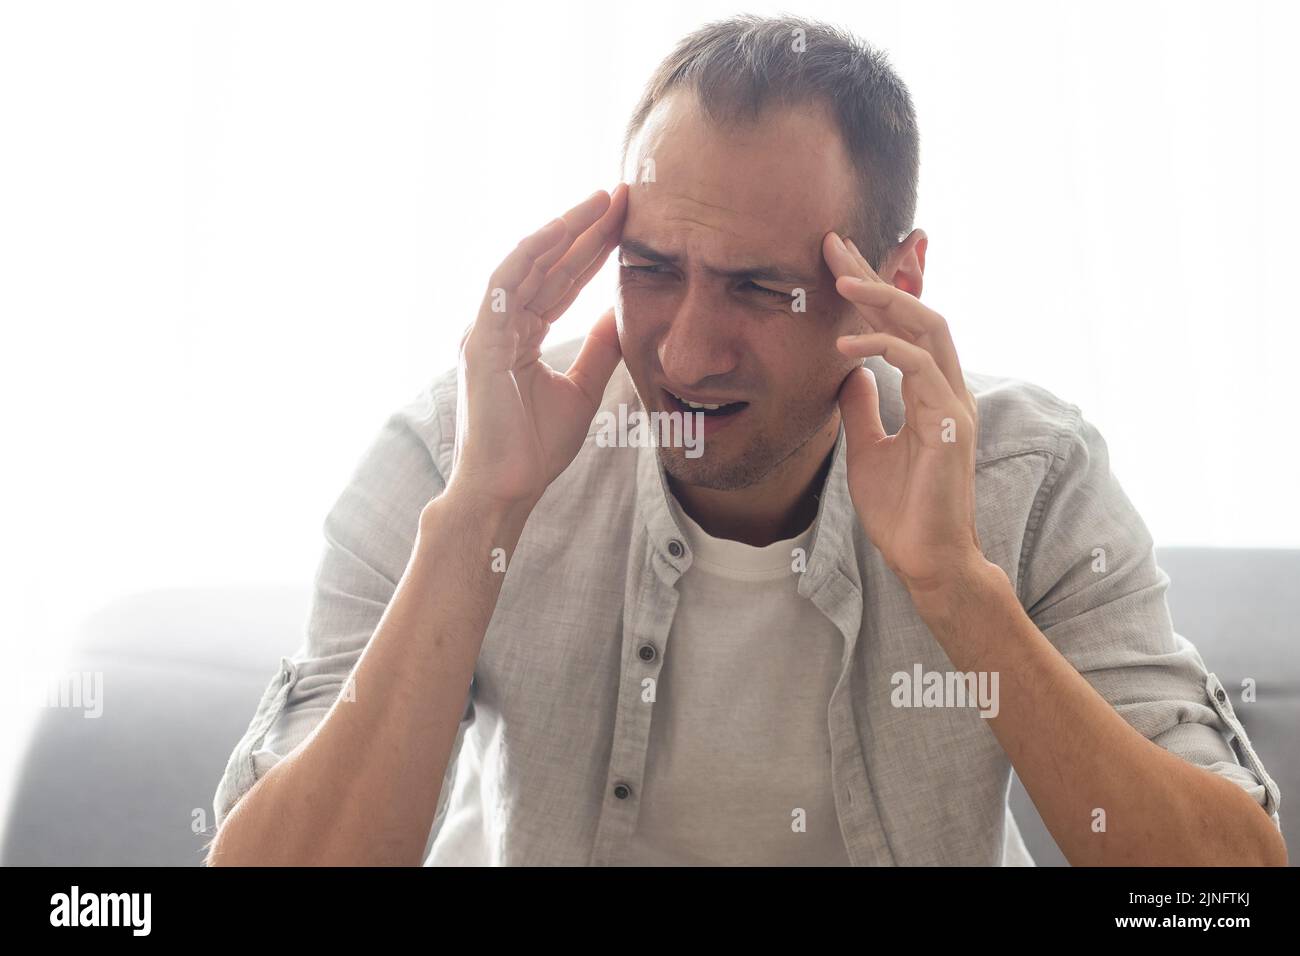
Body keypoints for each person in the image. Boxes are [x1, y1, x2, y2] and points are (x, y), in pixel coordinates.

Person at [205, 14, 1284, 866]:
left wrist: (957, 588)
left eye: (758, 288)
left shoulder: (1023, 474)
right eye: (651, 270)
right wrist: (478, 517)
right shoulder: (464, 444)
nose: (684, 350)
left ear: (890, 286)